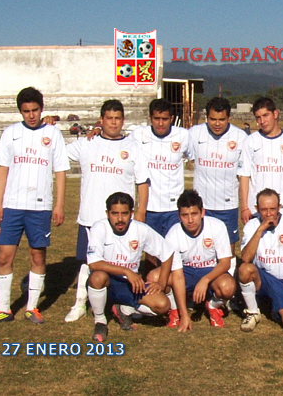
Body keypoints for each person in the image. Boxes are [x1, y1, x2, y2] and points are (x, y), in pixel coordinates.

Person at [0, 87, 70, 326]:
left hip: (40, 207)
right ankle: (3, 309)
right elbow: (3, 169)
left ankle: (32, 307)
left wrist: (59, 204)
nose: (31, 115)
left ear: (42, 109)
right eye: (26, 111)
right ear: (20, 111)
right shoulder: (11, 133)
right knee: (4, 256)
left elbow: (60, 171)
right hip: (12, 206)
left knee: (37, 256)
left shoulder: (53, 134)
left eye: (35, 110)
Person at [64, 99, 150, 323]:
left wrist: (141, 211)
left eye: (117, 118)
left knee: (124, 260)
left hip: (121, 220)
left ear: (123, 120)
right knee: (88, 262)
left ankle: (121, 300)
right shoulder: (87, 143)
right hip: (91, 216)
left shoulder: (133, 147)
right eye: (109, 118)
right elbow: (56, 152)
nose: (113, 123)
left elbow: (142, 181)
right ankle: (80, 304)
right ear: (101, 120)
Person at [87, 192, 175, 342]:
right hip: (108, 281)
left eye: (124, 213)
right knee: (97, 276)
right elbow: (94, 263)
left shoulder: (141, 229)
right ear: (107, 214)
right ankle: (100, 321)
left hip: (131, 284)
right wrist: (126, 271)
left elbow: (167, 253)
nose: (120, 219)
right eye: (115, 213)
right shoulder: (99, 228)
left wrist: (161, 282)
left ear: (131, 213)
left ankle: (124, 309)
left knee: (162, 306)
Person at [188, 97, 247, 274]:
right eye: (213, 119)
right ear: (207, 117)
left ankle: (229, 285)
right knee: (201, 247)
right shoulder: (194, 133)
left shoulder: (240, 137)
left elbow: (245, 172)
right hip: (202, 205)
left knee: (228, 249)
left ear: (228, 117)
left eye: (222, 119)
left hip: (227, 205)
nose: (217, 124)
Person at [164, 190, 235, 328]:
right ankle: (175, 309)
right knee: (156, 277)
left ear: (202, 212)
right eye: (185, 215)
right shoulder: (173, 234)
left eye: (194, 214)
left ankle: (212, 306)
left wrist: (205, 280)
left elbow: (225, 263)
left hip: (210, 272)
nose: (190, 220)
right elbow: (177, 275)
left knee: (228, 287)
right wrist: (184, 315)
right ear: (179, 216)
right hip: (185, 272)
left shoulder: (217, 226)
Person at [238, 189, 283, 333]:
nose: (269, 214)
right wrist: (260, 229)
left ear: (279, 207)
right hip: (262, 279)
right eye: (264, 210)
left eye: (273, 209)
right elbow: (245, 258)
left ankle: (270, 306)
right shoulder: (251, 225)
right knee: (244, 269)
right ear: (257, 209)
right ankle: (252, 312)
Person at [238, 97, 283, 224]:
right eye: (258, 117)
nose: (262, 121)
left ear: (275, 114)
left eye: (265, 115)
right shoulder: (250, 141)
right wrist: (244, 207)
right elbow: (244, 176)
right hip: (256, 211)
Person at [130, 99, 190, 236]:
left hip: (174, 208)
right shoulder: (138, 135)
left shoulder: (183, 135)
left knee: (173, 246)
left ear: (172, 118)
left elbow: (195, 154)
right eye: (157, 119)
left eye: (165, 119)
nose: (161, 123)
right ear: (150, 118)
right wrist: (99, 129)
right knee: (150, 247)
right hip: (149, 208)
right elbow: (119, 143)